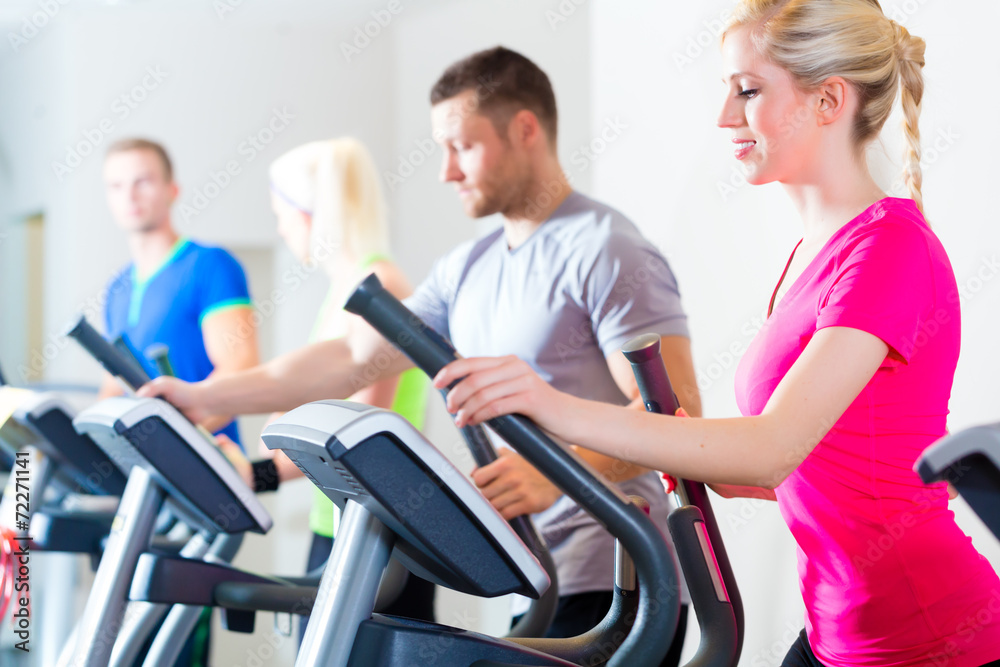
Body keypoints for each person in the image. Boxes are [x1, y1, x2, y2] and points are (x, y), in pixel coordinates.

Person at [434, 4, 1000, 666]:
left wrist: (554, 405)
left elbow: (771, 449)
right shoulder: (811, 256)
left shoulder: (890, 250)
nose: (724, 115)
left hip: (928, 633)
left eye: (749, 90)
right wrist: (683, 448)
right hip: (835, 630)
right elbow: (800, 463)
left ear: (828, 100)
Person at [141, 46, 699, 659]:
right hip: (536, 572)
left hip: (620, 581)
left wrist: (555, 469)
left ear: (525, 129)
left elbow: (674, 413)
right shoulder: (467, 268)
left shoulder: (608, 250)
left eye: (461, 146)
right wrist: (202, 395)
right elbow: (352, 359)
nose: (446, 171)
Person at [262, 137, 433, 637]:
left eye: (281, 214)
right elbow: (292, 415)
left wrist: (257, 475)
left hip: (383, 533)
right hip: (334, 520)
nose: (280, 228)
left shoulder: (380, 285)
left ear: (308, 213)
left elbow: (351, 436)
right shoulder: (341, 291)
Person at [101, 138, 259, 448]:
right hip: (140, 464)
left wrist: (175, 436)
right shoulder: (117, 288)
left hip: (206, 462)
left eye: (142, 181)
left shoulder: (210, 265)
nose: (129, 196)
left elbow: (241, 366)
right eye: (116, 186)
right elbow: (112, 385)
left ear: (172, 190)